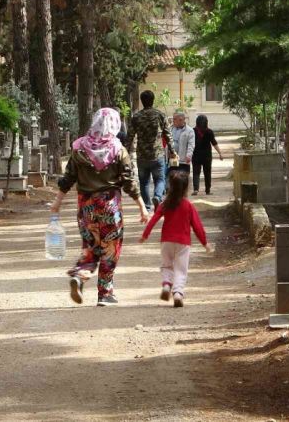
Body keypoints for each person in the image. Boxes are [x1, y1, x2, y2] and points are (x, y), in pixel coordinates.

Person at [51, 108, 150, 307]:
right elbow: (129, 181)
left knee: (90, 246)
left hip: (86, 206)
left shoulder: (79, 148)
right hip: (109, 206)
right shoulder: (118, 149)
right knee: (110, 248)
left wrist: (57, 202)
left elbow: (68, 177)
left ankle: (80, 276)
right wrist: (142, 206)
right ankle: (105, 293)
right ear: (114, 125)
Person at [139, 171, 211, 307]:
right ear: (186, 188)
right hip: (183, 243)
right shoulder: (189, 206)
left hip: (166, 241)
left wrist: (145, 235)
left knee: (167, 265)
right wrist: (205, 243)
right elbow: (197, 226)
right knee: (181, 269)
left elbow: (154, 219)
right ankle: (177, 293)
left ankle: (166, 285)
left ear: (170, 186)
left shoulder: (165, 204)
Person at [125, 90, 175, 212]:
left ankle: (147, 206)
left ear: (142, 101)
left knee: (144, 182)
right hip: (157, 155)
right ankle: (157, 197)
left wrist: (125, 151)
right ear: (153, 100)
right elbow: (168, 135)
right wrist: (173, 151)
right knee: (160, 179)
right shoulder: (160, 115)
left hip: (142, 155)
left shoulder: (136, 117)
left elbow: (130, 136)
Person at [192, 115, 224, 195]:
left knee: (196, 172)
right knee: (207, 173)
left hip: (196, 155)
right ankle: (208, 190)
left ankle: (196, 189)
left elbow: (189, 143)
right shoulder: (209, 131)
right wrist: (220, 153)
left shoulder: (193, 131)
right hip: (207, 156)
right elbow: (214, 143)